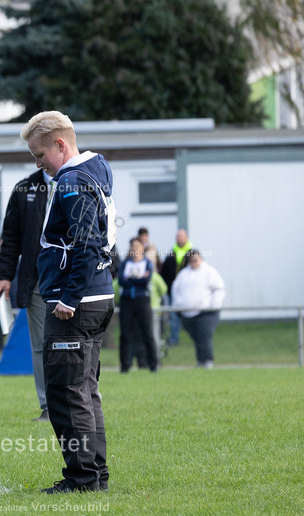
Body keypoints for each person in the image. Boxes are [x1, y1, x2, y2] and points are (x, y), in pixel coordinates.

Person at [22, 110, 115, 494]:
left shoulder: (73, 181)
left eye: (40, 155)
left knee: (66, 391)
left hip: (76, 302)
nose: (38, 164)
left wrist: (69, 297)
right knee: (84, 390)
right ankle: (95, 473)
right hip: (97, 296)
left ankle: (83, 478)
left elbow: (88, 240)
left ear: (61, 145)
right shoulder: (96, 170)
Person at [0, 166, 53, 421]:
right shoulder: (24, 189)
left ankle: (84, 399)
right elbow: (11, 238)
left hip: (75, 279)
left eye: (41, 152)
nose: (38, 160)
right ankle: (48, 406)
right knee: (41, 344)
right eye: (34, 154)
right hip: (37, 280)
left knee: (78, 344)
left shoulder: (80, 182)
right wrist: (5, 276)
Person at [171, 250, 225, 368]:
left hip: (206, 312)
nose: (193, 263)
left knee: (204, 335)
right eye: (191, 260)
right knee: (197, 338)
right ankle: (201, 361)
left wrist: (214, 305)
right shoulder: (184, 274)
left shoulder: (210, 272)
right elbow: (176, 290)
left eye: (195, 260)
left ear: (200, 258)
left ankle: (207, 360)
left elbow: (218, 289)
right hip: (187, 313)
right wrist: (179, 306)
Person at [117, 237, 159, 373]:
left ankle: (153, 364)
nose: (134, 248)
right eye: (132, 246)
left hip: (142, 300)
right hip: (127, 300)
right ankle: (125, 365)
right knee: (125, 333)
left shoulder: (147, 263)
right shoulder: (125, 263)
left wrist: (132, 279)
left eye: (137, 246)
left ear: (142, 248)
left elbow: (146, 279)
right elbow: (122, 281)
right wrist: (137, 279)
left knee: (147, 332)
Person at [160, 229, 194, 346]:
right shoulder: (171, 254)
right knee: (173, 316)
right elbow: (164, 272)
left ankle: (194, 337)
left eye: (181, 236)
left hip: (188, 292)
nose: (179, 239)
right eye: (177, 236)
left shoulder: (192, 254)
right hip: (171, 292)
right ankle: (174, 339)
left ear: (186, 238)